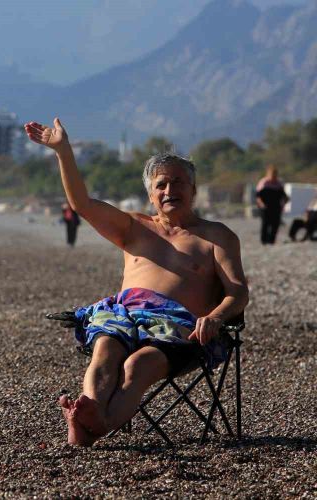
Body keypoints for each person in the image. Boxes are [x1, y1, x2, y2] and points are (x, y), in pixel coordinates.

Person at [24, 118, 249, 447]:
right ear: (150, 193)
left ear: (193, 190)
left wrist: (215, 317)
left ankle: (96, 423)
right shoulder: (133, 228)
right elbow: (82, 205)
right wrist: (63, 151)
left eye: (178, 183)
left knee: (139, 363)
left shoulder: (216, 237)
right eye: (161, 185)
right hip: (124, 317)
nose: (170, 191)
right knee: (105, 348)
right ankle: (90, 411)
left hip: (182, 332)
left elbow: (238, 292)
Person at [255, 165, 289, 245]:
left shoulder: (279, 184)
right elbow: (258, 196)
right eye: (272, 174)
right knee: (265, 224)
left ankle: (271, 241)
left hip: (276, 207)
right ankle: (264, 241)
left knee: (275, 225)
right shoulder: (264, 182)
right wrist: (262, 204)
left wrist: (283, 205)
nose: (273, 176)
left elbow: (285, 196)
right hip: (265, 207)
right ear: (268, 174)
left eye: (275, 174)